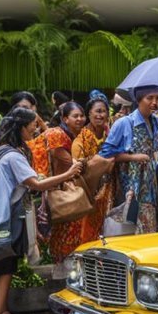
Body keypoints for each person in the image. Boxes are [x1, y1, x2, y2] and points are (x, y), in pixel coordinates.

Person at [0, 107, 83, 314]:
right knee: (5, 267)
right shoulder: (14, 156)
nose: (36, 128)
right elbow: (35, 184)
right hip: (4, 218)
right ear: (22, 127)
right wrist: (68, 174)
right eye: (33, 124)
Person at [100, 85, 158, 233]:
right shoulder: (124, 123)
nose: (155, 102)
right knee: (127, 229)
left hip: (151, 185)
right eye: (149, 98)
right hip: (128, 187)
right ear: (139, 99)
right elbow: (105, 155)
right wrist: (133, 157)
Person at [42, 102, 88, 271]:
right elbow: (66, 160)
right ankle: (63, 272)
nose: (80, 119)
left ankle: (67, 270)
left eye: (82, 115)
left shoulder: (78, 135)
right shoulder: (57, 134)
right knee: (64, 231)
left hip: (67, 188)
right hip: (57, 190)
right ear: (64, 118)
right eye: (75, 116)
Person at [72, 96, 114, 246]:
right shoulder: (82, 137)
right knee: (88, 229)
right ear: (89, 114)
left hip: (109, 190)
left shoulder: (110, 134)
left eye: (103, 111)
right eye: (97, 111)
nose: (100, 115)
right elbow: (77, 163)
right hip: (89, 191)